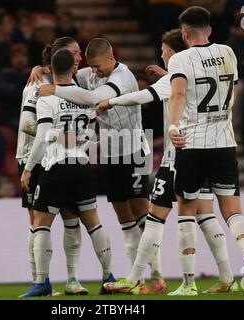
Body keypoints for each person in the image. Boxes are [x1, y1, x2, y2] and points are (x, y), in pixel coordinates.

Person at [99, 28, 237, 295]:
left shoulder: (174, 75)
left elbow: (143, 96)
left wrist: (111, 101)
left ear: (172, 52)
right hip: (208, 149)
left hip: (177, 158)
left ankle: (140, 279)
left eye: (163, 50)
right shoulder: (194, 72)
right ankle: (227, 275)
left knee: (155, 219)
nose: (161, 54)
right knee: (206, 216)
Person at [38, 38, 164, 294]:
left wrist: (55, 90)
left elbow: (94, 97)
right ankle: (136, 281)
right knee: (124, 218)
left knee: (142, 213)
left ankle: (157, 274)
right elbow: (65, 73)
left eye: (98, 67)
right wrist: (40, 70)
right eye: (91, 67)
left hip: (134, 149)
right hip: (107, 152)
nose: (94, 72)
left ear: (111, 58)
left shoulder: (123, 76)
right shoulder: (88, 74)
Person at [165, 6, 244, 295]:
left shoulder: (180, 59)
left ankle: (188, 285)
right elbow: (233, 90)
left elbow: (179, 93)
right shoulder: (228, 53)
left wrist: (173, 126)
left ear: (184, 33)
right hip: (224, 142)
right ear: (208, 29)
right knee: (233, 210)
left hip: (193, 143)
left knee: (186, 211)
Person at [18, 37, 115, 296]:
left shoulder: (46, 97)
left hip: (55, 166)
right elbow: (93, 128)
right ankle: (108, 277)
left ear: (50, 67)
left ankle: (42, 283)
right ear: (73, 67)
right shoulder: (85, 96)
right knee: (94, 224)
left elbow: (41, 135)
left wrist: (28, 168)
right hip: (82, 165)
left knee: (40, 224)